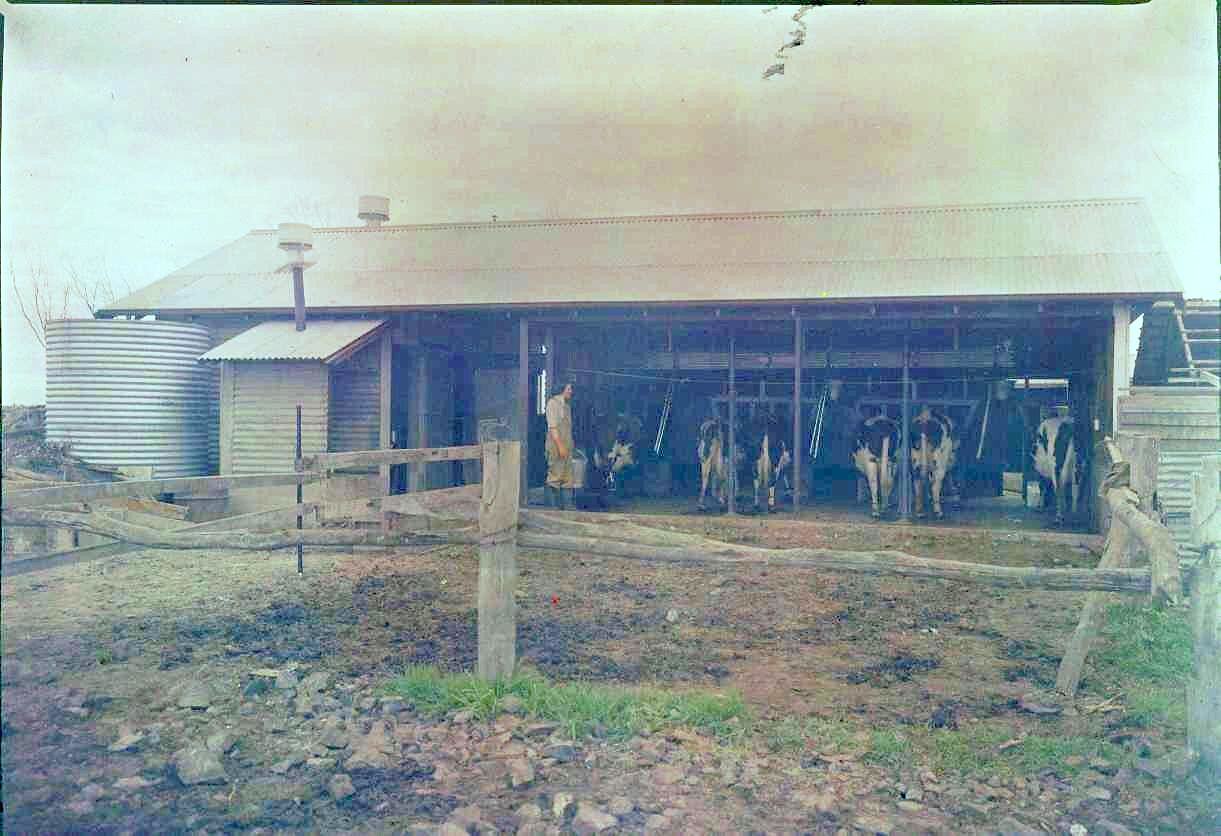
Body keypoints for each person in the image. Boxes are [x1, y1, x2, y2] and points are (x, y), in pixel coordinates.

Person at [544, 380, 576, 509]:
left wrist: (569, 446)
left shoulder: (566, 406)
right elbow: (553, 427)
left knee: (568, 477)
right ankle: (552, 510)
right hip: (556, 445)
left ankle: (567, 509)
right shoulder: (553, 404)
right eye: (569, 389)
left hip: (567, 445)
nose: (571, 391)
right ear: (562, 389)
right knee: (555, 475)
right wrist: (560, 446)